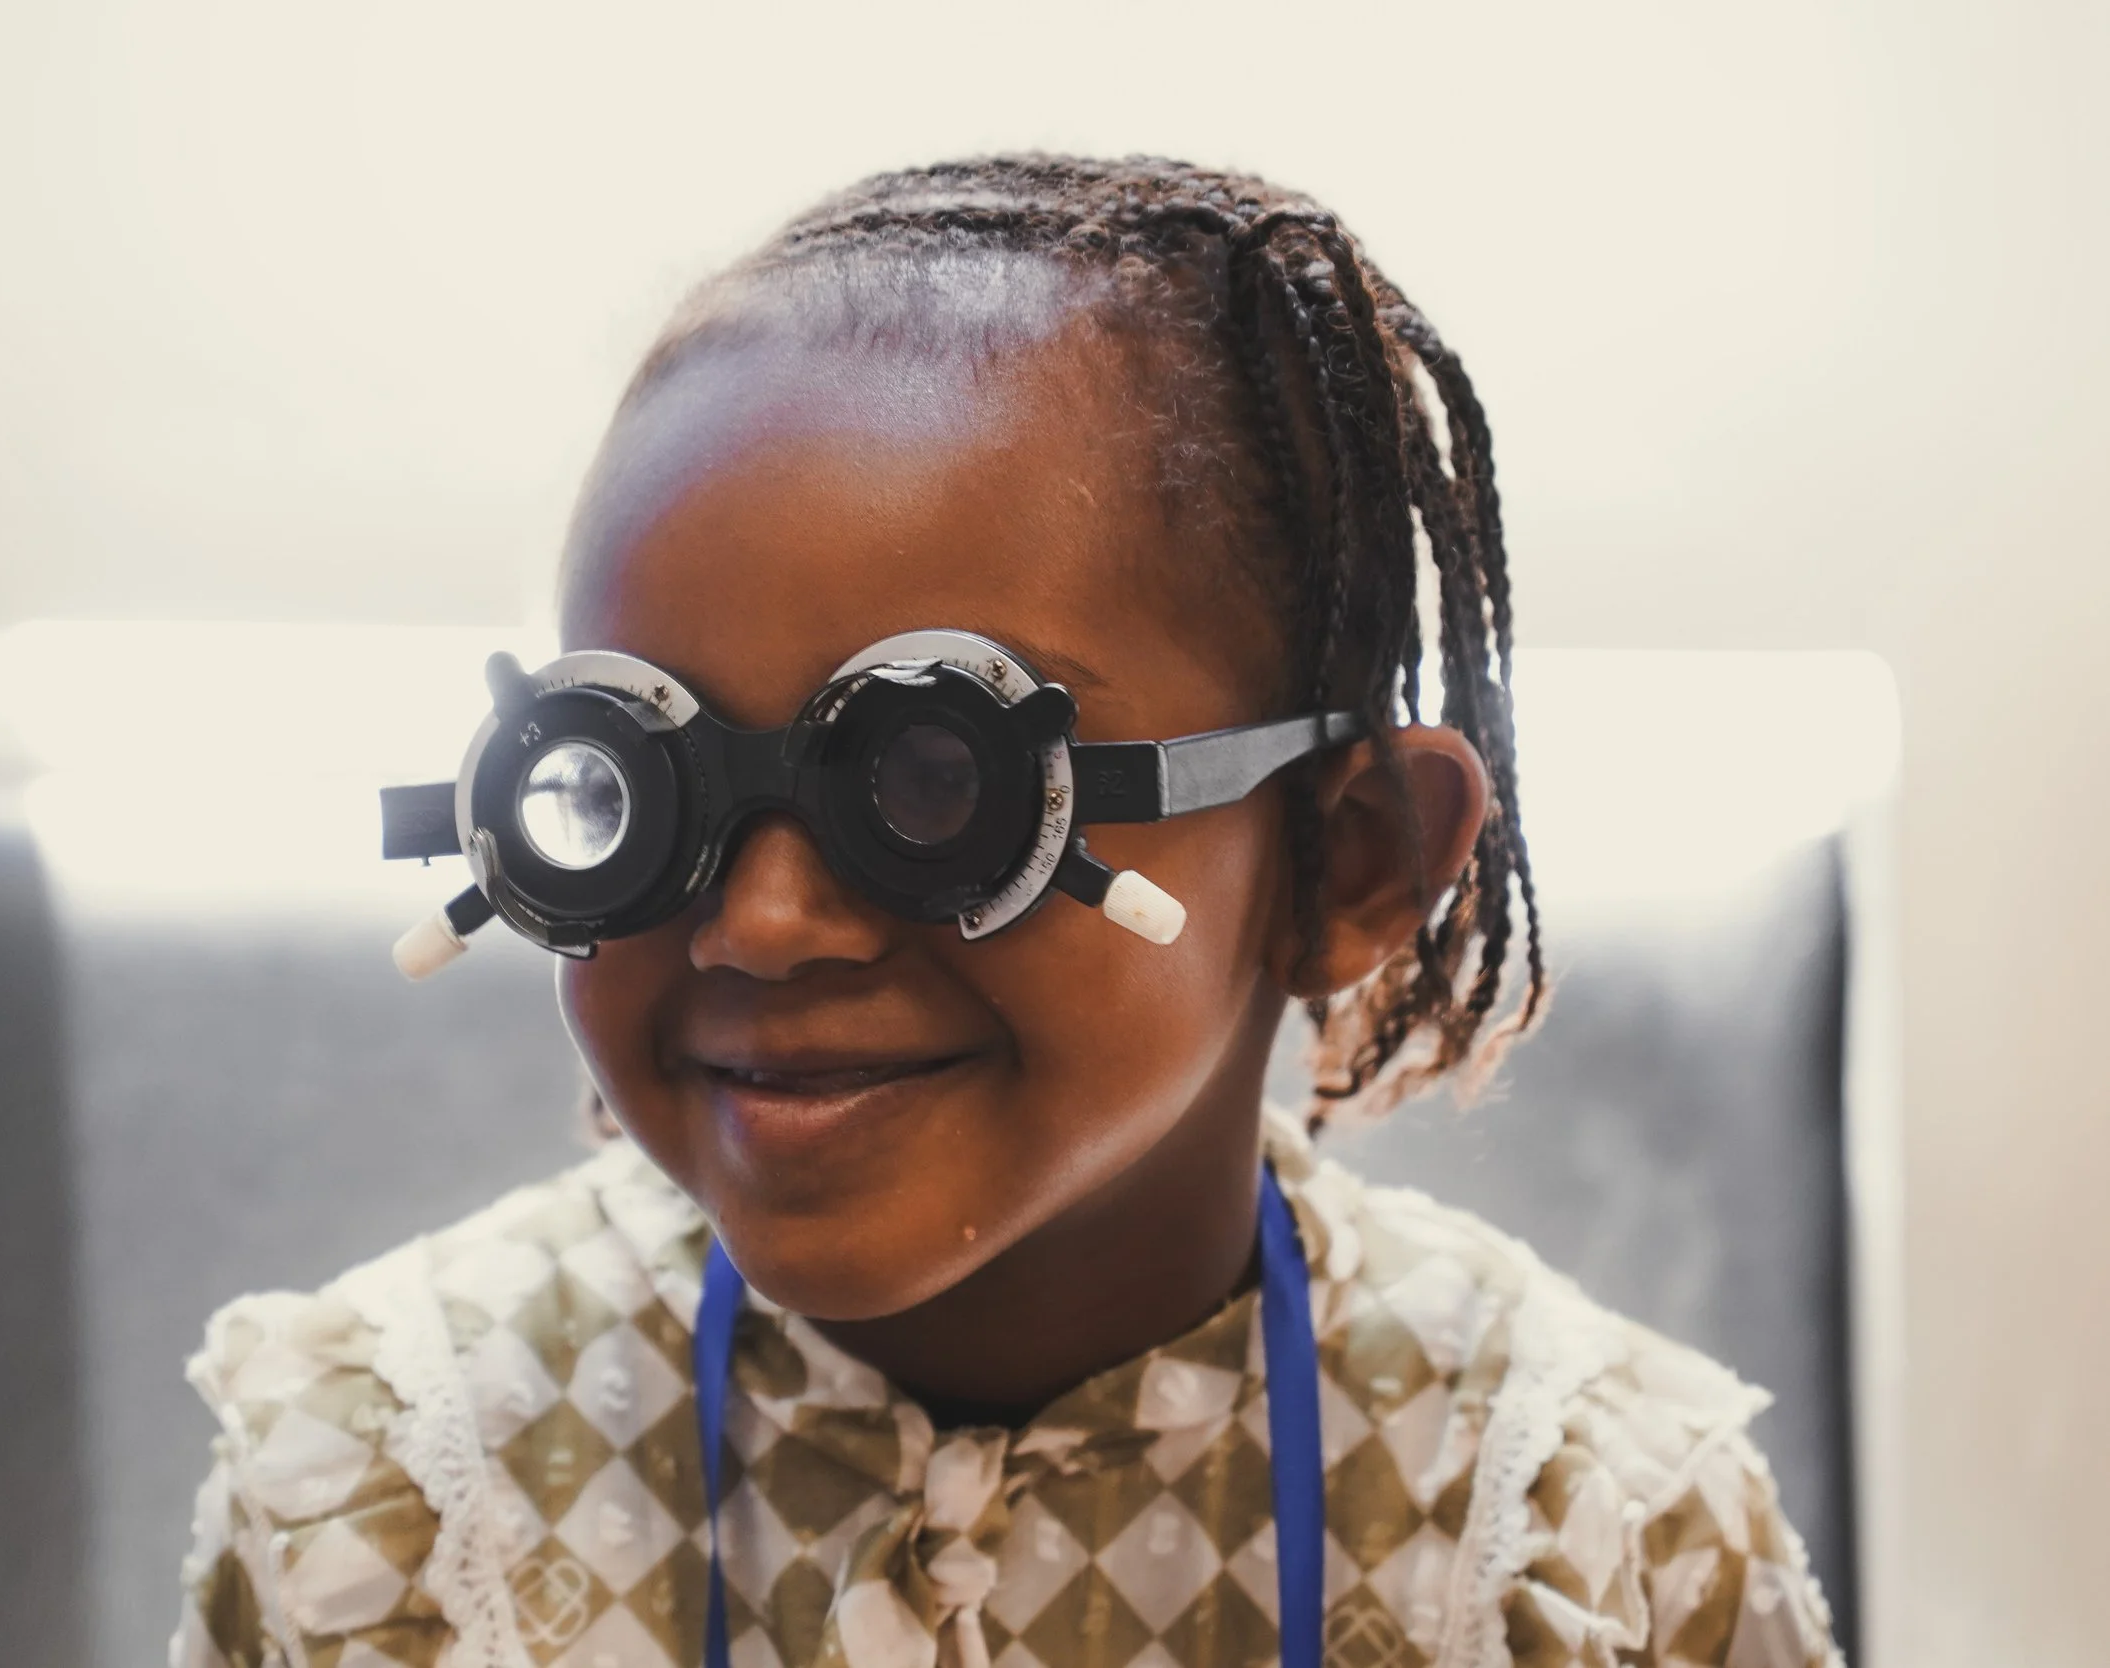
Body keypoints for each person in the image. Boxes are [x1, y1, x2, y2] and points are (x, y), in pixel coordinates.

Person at [170, 156, 1843, 1668]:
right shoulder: (388, 1499)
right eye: (633, 785)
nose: (762, 924)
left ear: (1350, 863)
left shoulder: (1582, 1544)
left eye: (934, 789)